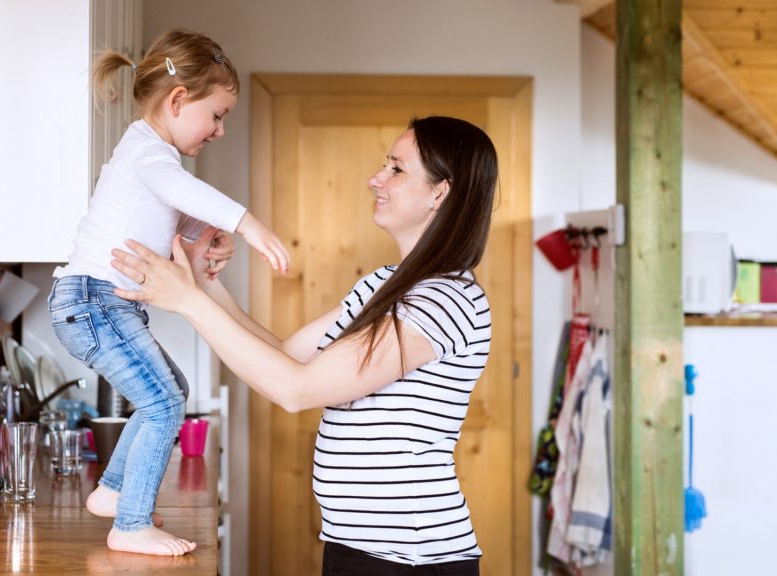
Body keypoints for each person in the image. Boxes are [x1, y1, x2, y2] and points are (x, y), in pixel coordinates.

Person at [111, 116, 498, 575]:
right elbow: (287, 357)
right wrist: (204, 286)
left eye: (396, 169)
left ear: (440, 192)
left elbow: (296, 389)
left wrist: (190, 302)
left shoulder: (443, 298)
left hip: (410, 558)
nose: (376, 178)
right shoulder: (385, 285)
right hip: (356, 547)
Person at [49, 29, 289, 557]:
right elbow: (180, 191)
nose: (221, 131)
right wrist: (246, 224)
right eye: (218, 115)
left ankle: (113, 492)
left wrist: (206, 241)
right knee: (162, 403)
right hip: (92, 301)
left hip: (96, 303)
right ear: (179, 101)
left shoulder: (149, 158)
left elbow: (169, 218)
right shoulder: (148, 153)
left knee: (169, 391)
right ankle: (131, 525)